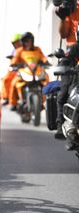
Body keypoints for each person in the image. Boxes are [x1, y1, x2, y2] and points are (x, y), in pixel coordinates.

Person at [54, 0, 79, 140]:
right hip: (72, 56)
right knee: (63, 92)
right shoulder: (68, 8)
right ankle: (60, 124)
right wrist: (63, 18)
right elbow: (63, 34)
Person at [9, 32, 49, 111]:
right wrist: (14, 65)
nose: (27, 43)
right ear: (22, 42)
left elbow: (43, 57)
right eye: (25, 41)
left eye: (28, 41)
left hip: (36, 72)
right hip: (24, 72)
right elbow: (14, 61)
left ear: (32, 41)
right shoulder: (19, 51)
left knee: (46, 79)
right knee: (14, 83)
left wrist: (46, 62)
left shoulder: (37, 49)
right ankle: (13, 103)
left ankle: (44, 101)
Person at [1, 33, 22, 106]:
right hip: (15, 70)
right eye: (14, 43)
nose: (16, 45)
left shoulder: (26, 49)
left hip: (24, 71)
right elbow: (12, 62)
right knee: (5, 79)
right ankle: (7, 98)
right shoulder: (14, 51)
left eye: (17, 42)